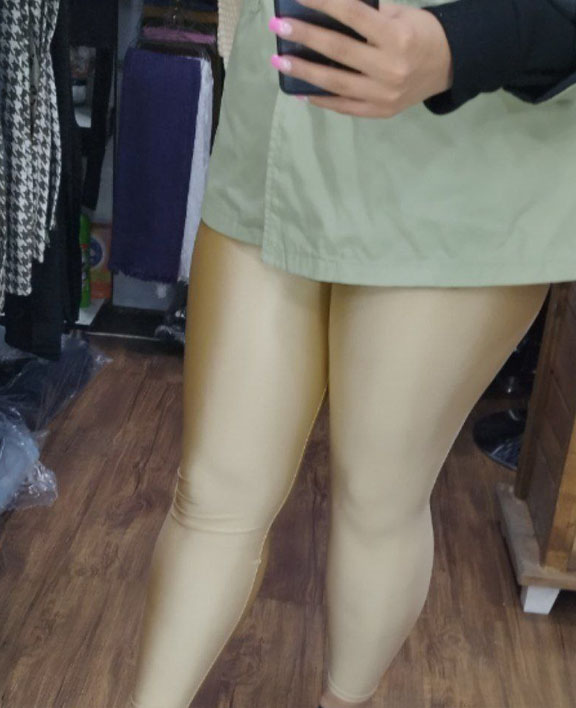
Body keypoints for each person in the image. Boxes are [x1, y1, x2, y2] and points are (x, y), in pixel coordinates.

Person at [128, 1, 576, 706]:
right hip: (281, 116)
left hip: (467, 155)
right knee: (212, 494)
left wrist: (456, 44)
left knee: (377, 500)